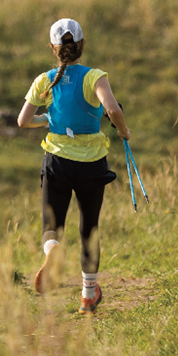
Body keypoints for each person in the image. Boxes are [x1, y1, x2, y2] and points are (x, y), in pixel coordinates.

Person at [16, 18, 131, 314]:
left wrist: (48, 120)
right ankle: (88, 295)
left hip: (57, 161)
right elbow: (113, 109)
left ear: (53, 49)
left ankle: (53, 250)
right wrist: (123, 131)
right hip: (92, 162)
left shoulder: (45, 80)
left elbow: (22, 120)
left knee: (50, 226)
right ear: (81, 45)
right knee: (88, 227)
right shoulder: (95, 76)